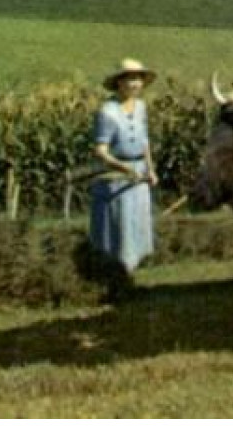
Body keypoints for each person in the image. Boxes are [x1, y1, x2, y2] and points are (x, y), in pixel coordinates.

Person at [89, 58, 159, 293]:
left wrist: (150, 169)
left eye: (138, 79)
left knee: (136, 227)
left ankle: (129, 279)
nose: (135, 84)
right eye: (130, 79)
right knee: (119, 229)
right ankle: (114, 284)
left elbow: (144, 141)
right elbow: (100, 151)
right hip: (116, 179)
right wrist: (123, 168)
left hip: (137, 178)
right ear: (119, 83)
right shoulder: (107, 113)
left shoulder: (140, 108)